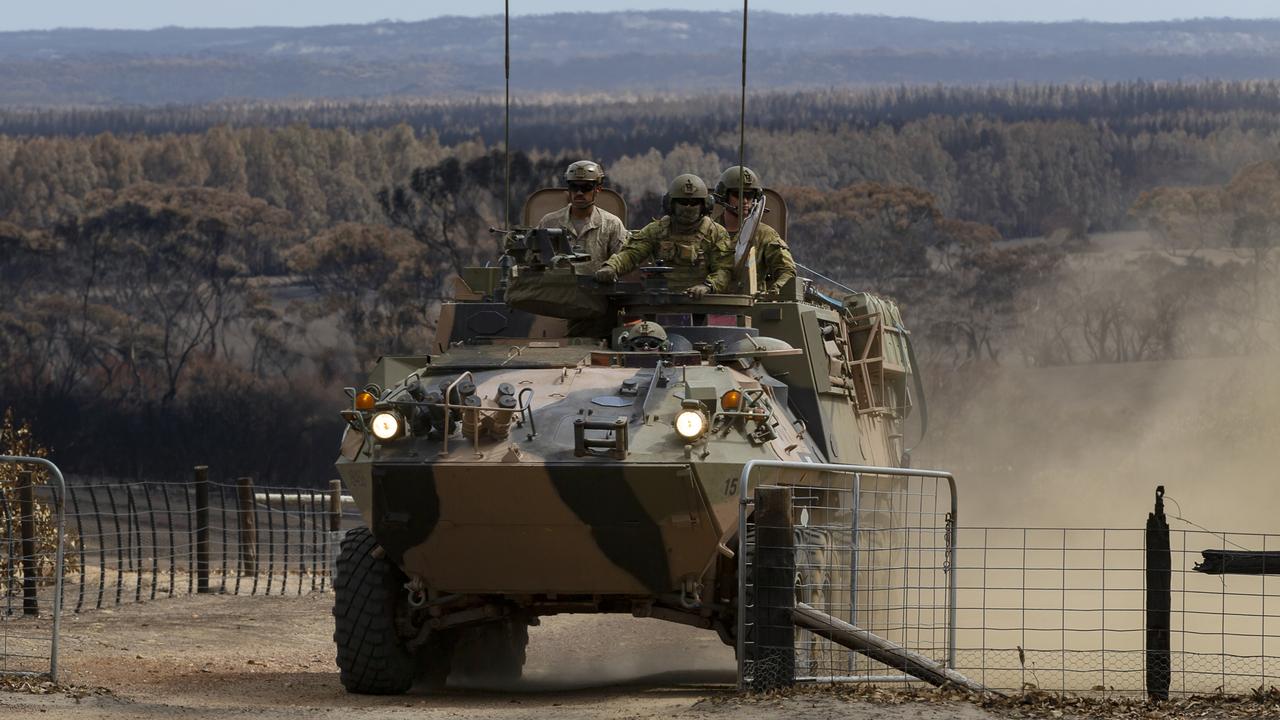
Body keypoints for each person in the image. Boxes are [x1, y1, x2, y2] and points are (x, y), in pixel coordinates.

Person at [594, 174, 732, 298]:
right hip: (664, 303)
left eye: (694, 203)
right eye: (683, 203)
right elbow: (631, 254)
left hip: (704, 304)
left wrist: (708, 286)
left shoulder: (715, 233)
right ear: (671, 204)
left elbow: (724, 270)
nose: (688, 208)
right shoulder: (657, 230)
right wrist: (612, 267)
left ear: (705, 206)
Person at [715, 165, 796, 295]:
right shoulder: (710, 232)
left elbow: (787, 270)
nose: (745, 201)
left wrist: (775, 291)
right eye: (738, 194)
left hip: (751, 306)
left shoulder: (765, 235)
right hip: (711, 303)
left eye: (750, 195)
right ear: (724, 195)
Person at [536, 160, 626, 273]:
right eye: (574, 187)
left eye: (586, 187)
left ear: (597, 189)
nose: (579, 193)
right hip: (557, 288)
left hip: (597, 289)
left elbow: (623, 261)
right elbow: (533, 260)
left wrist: (610, 269)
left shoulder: (611, 225)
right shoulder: (549, 222)